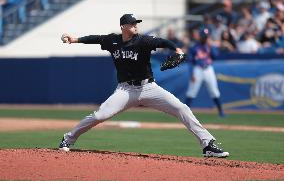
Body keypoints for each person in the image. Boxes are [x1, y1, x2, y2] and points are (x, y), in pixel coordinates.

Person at [58, 14, 229, 158]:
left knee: (182, 108)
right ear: (123, 26)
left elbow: (163, 42)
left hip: (149, 88)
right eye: (132, 24)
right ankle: (68, 138)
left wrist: (177, 50)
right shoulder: (113, 40)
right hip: (125, 90)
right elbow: (95, 39)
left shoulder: (143, 41)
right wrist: (74, 40)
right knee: (100, 115)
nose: (136, 26)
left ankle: (208, 145)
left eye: (136, 24)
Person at [185, 28, 226, 118]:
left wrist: (210, 46)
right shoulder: (194, 47)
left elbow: (215, 56)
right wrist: (191, 74)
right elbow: (191, 62)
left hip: (208, 69)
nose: (205, 38)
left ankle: (221, 112)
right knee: (191, 92)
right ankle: (184, 114)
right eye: (204, 36)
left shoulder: (210, 46)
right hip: (197, 69)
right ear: (200, 37)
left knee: (214, 91)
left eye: (206, 37)